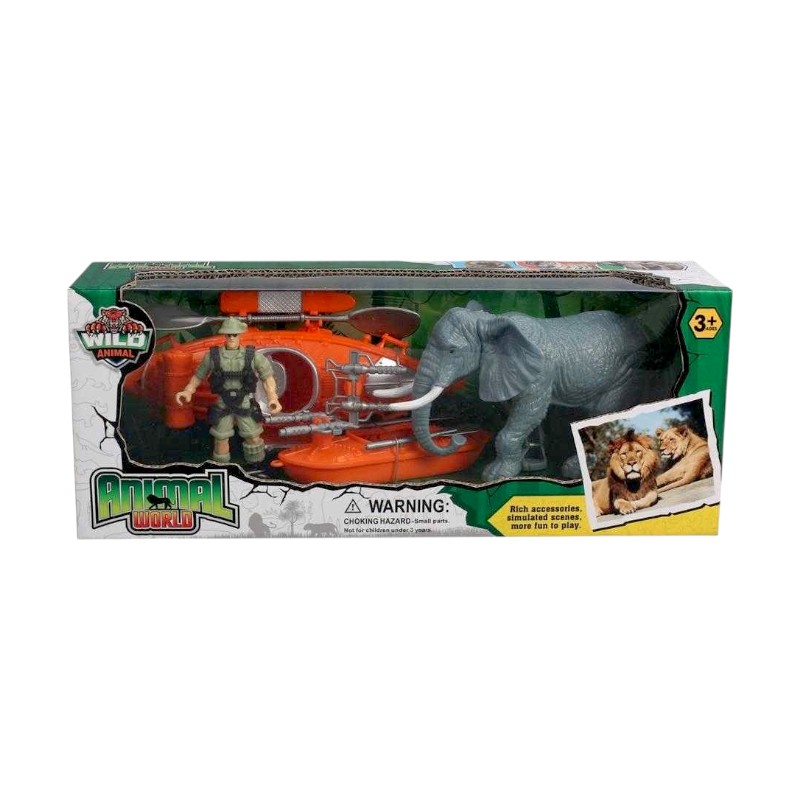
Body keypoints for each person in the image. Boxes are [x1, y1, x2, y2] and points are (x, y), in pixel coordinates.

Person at [176, 318, 282, 464]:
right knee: (220, 439)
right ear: (224, 335)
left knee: (253, 436)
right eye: (228, 334)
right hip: (223, 403)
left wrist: (273, 398)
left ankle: (255, 465)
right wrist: (188, 391)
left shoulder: (252, 356)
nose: (231, 338)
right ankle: (222, 468)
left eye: (234, 334)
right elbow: (198, 376)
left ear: (240, 334)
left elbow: (267, 377)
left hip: (244, 403)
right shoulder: (213, 356)